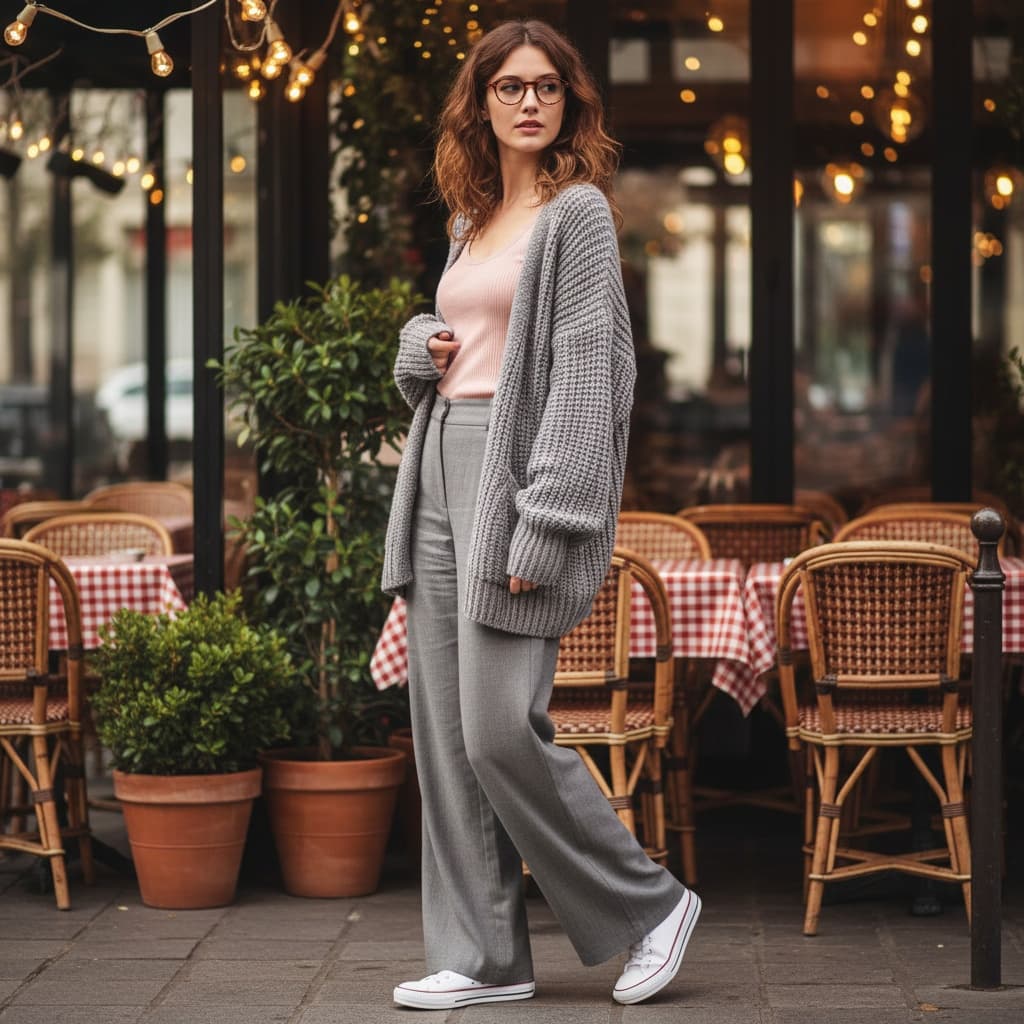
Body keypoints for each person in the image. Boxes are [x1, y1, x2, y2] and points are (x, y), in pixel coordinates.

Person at [381, 19, 700, 1011]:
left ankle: (649, 905)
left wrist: (549, 513)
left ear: (568, 104)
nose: (527, 102)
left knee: (496, 730)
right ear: (480, 104)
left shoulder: (579, 216)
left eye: (545, 87)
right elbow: (456, 357)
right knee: (441, 735)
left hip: (510, 479)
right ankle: (483, 957)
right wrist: (416, 344)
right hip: (438, 467)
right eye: (508, 87)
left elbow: (587, 376)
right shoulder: (471, 218)